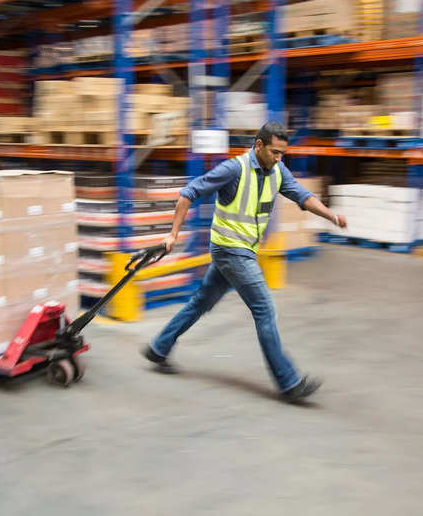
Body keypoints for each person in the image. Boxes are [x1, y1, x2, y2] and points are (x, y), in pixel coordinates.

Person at [141, 121, 348, 403]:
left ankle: (159, 347)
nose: (279, 158)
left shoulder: (277, 170)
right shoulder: (233, 169)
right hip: (230, 250)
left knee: (202, 301)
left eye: (282, 154)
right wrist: (173, 234)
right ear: (259, 145)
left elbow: (303, 196)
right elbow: (188, 193)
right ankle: (288, 382)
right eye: (275, 152)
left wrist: (332, 216)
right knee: (264, 307)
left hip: (243, 251)